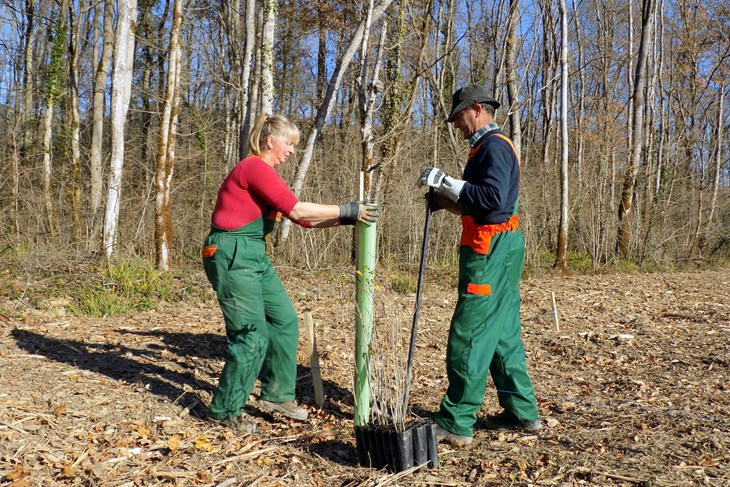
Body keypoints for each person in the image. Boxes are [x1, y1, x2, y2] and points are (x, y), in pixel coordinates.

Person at [202, 113, 378, 433]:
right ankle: (224, 411)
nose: (293, 151)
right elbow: (297, 209)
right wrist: (347, 209)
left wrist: (348, 219)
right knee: (251, 335)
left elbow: (304, 220)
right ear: (271, 141)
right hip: (231, 252)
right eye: (290, 143)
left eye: (296, 145)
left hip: (254, 252)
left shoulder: (266, 173)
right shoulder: (254, 167)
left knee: (284, 320)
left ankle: (277, 395)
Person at [417, 84, 541, 447]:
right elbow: (485, 204)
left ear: (476, 110)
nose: (456, 125)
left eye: (457, 117)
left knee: (468, 333)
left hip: (489, 252)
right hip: (498, 249)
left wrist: (447, 182)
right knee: (501, 333)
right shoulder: (486, 148)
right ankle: (522, 411)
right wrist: (449, 201)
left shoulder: (494, 146)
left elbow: (494, 200)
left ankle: (457, 420)